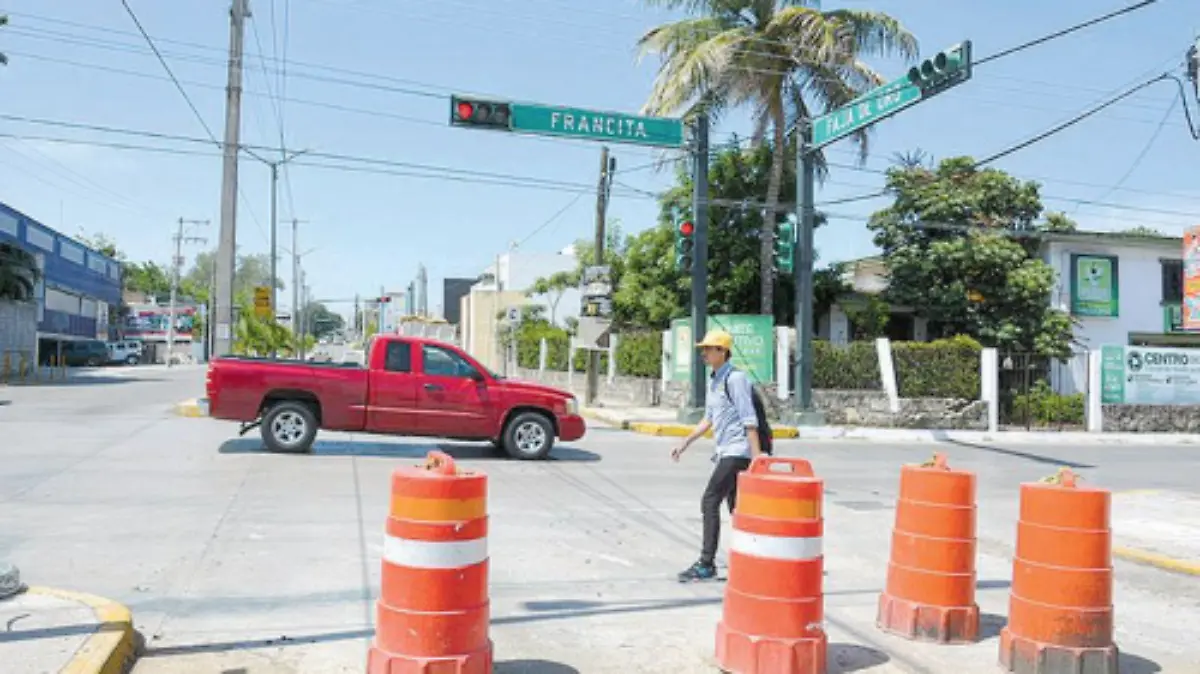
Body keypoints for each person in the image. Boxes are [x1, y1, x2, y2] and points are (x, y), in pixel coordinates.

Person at [671, 328, 763, 582]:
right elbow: (709, 419)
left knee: (710, 500)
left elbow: (749, 420)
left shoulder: (736, 379)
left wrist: (758, 460)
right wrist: (685, 442)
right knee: (736, 508)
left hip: (738, 452)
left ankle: (706, 563)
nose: (704, 353)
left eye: (709, 348)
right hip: (725, 451)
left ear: (722, 351)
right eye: (703, 349)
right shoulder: (715, 380)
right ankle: (755, 558)